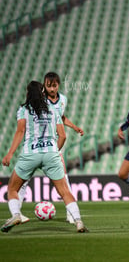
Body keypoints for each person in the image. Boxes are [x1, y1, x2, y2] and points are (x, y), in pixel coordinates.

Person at [1, 81, 87, 233]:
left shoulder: (23, 110)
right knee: (65, 191)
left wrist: (10, 153)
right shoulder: (53, 109)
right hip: (51, 154)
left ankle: (16, 215)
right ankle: (78, 221)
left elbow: (20, 132)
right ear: (43, 93)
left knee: (12, 188)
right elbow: (63, 135)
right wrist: (54, 151)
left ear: (28, 93)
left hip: (30, 154)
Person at [17, 72, 84, 225]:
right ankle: (17, 213)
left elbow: (61, 117)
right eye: (48, 86)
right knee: (24, 180)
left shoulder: (63, 100)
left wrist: (74, 127)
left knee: (63, 178)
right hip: (36, 144)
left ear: (58, 85)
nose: (52, 89)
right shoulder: (39, 100)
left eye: (54, 86)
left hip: (52, 144)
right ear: (44, 85)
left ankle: (71, 215)